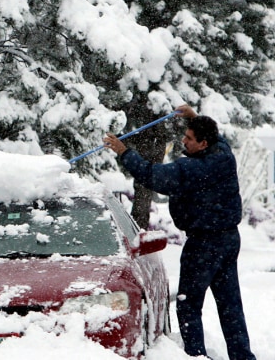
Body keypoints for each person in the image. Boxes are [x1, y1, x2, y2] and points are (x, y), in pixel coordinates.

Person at [103, 104, 256, 360]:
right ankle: (243, 356)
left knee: (188, 305)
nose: (183, 141)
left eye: (189, 138)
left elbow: (152, 175)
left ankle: (196, 356)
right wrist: (194, 118)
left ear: (203, 144)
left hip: (204, 244)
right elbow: (220, 139)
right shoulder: (223, 155)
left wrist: (124, 152)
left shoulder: (194, 169)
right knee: (230, 305)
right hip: (228, 239)